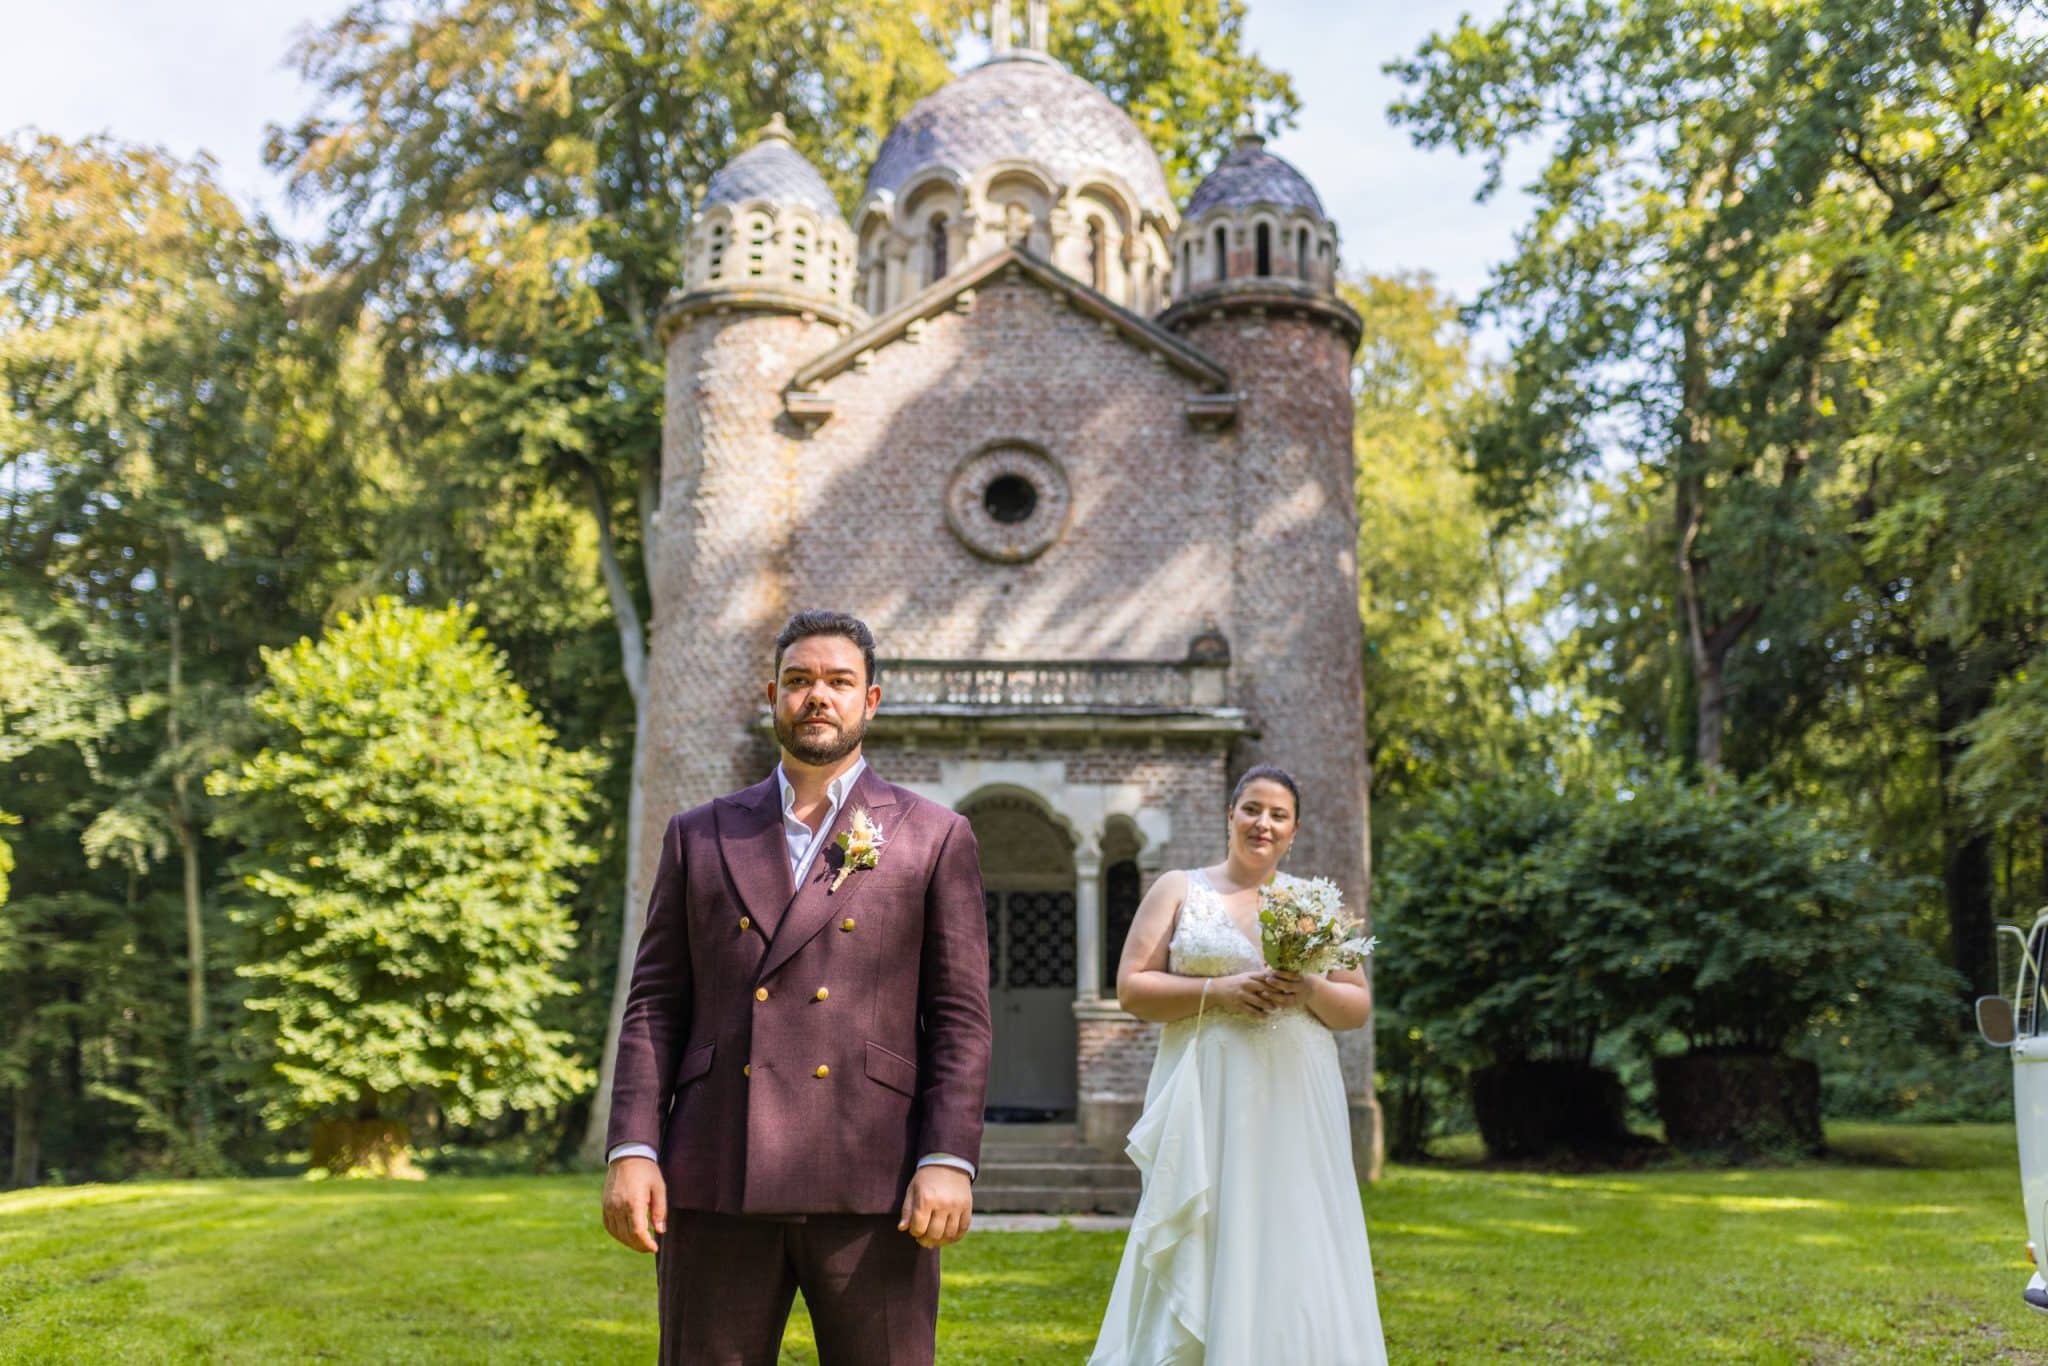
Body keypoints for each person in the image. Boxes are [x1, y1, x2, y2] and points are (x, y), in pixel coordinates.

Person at [600, 610, 993, 1365]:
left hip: (876, 1176)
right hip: (716, 1165)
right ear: (772, 694)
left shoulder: (934, 835)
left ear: (870, 701)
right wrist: (634, 1145)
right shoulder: (700, 833)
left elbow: (959, 1018)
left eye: (839, 682)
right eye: (800, 681)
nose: (819, 696)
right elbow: (655, 1004)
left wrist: (948, 1156)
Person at [1089, 764, 1387, 1365]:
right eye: (1252, 809)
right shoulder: (1179, 888)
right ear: (1230, 815)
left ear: (1294, 830)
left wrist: (1309, 991)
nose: (1263, 823)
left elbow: (1355, 1006)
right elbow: (1131, 988)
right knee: (1215, 1224)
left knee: (1292, 1225)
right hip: (1210, 1092)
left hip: (1295, 1096)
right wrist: (1216, 994)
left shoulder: (1314, 903)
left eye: (1278, 815)